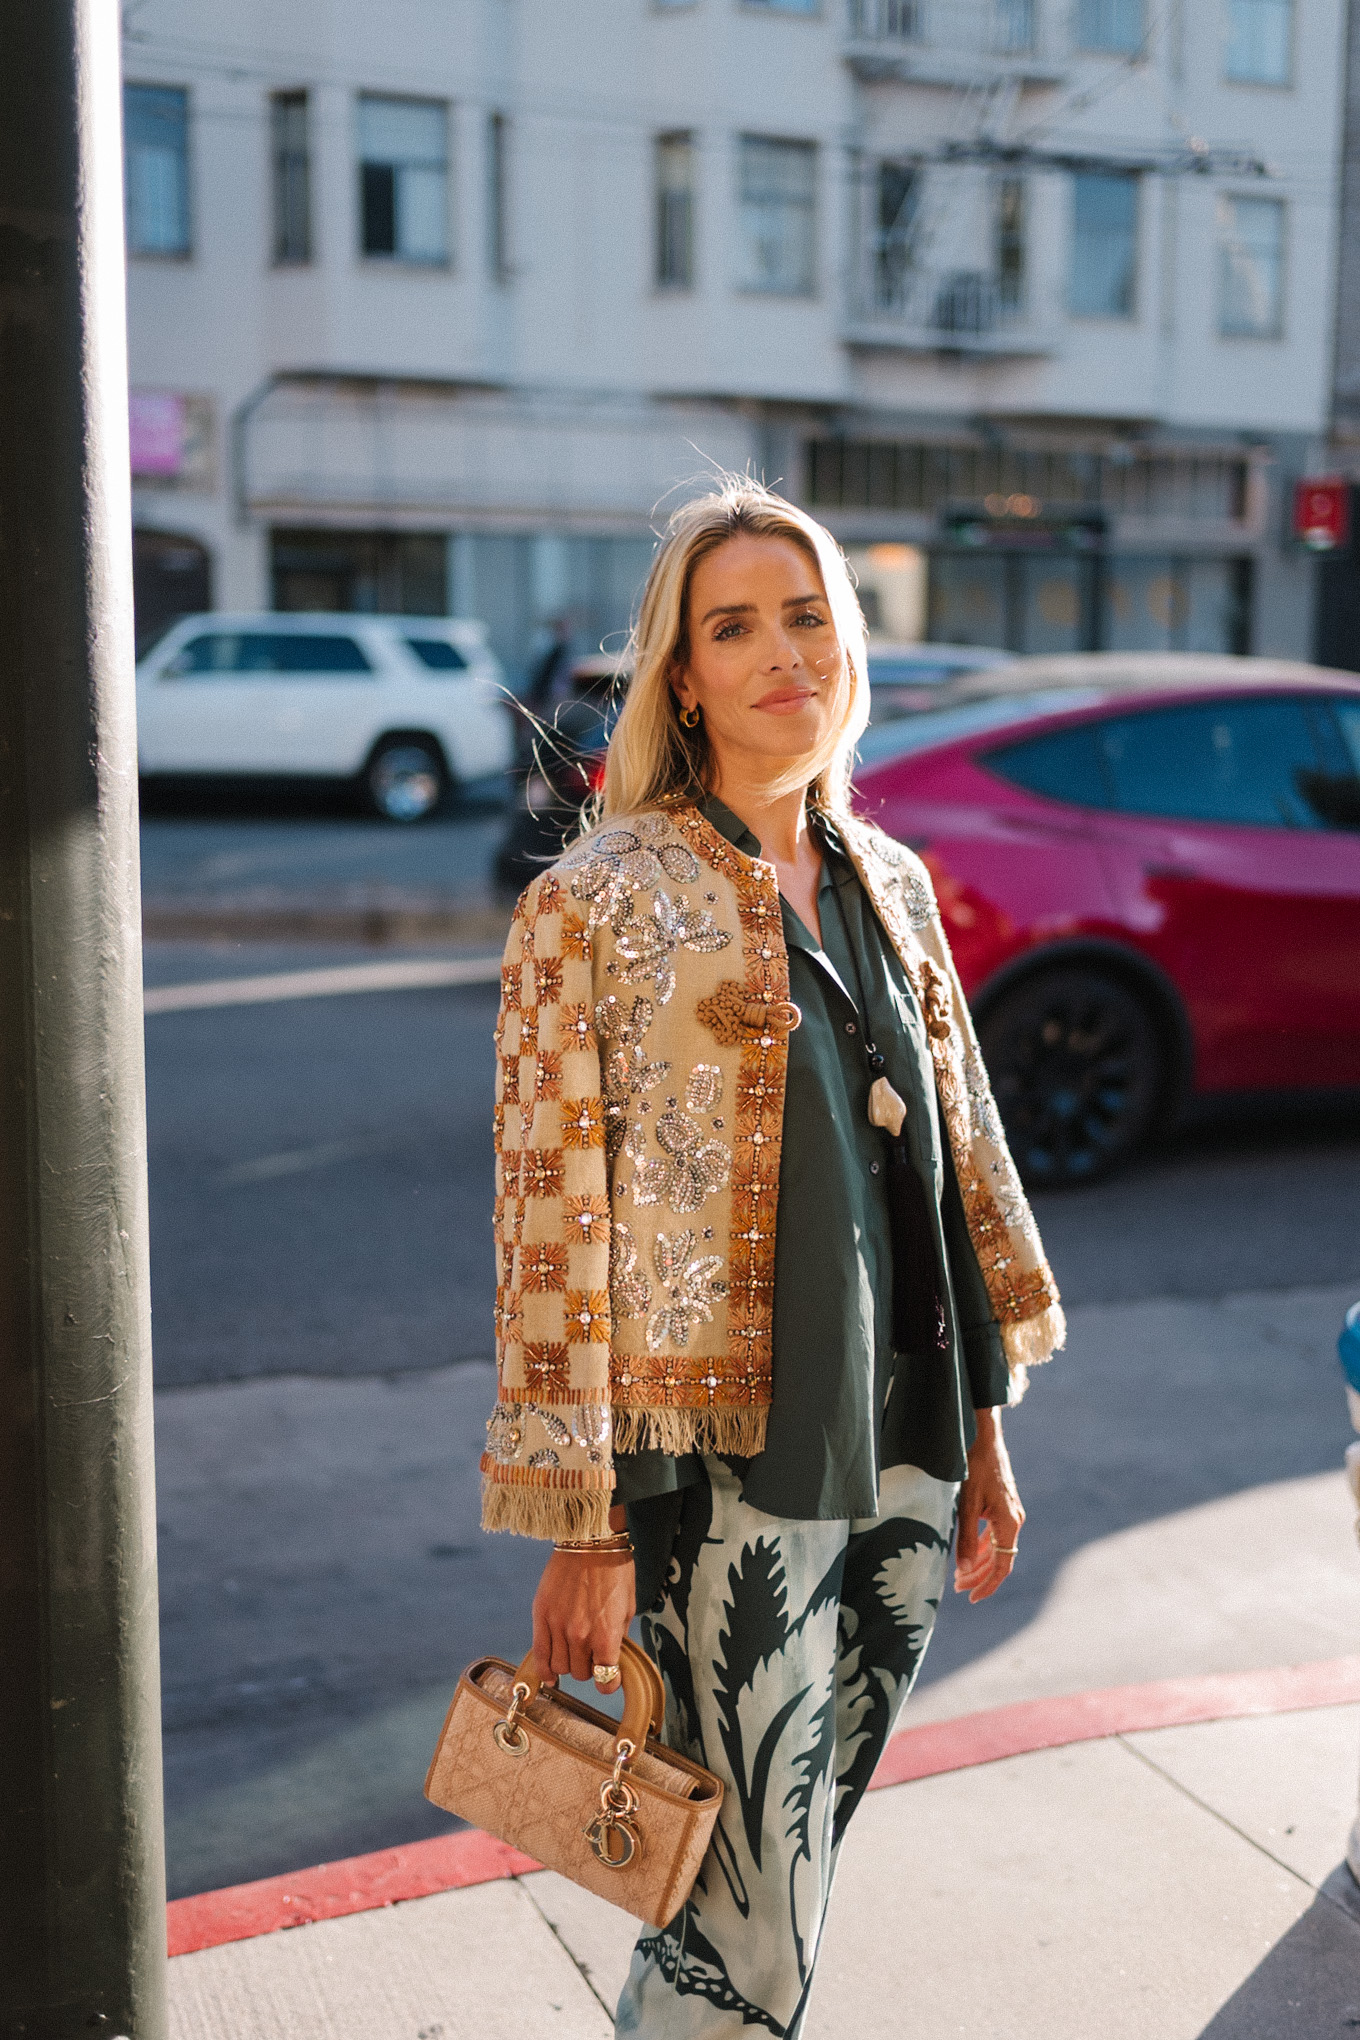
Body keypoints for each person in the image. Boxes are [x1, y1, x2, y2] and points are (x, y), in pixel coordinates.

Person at [482, 478, 1065, 2037]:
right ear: (683, 674)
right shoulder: (595, 905)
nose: (781, 654)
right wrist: (587, 1525)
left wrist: (990, 1433)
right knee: (749, 1916)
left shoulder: (895, 886)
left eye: (808, 616)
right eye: (733, 627)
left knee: (768, 1880)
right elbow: (551, 1229)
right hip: (717, 1481)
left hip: (906, 1455)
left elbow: (959, 1174)